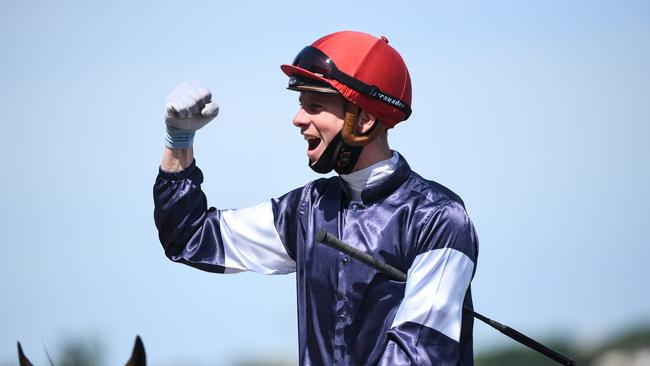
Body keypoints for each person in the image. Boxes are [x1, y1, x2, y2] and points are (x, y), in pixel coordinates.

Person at [154, 30, 479, 366]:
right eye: (300, 104)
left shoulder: (439, 218)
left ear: (364, 119)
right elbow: (189, 237)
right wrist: (178, 141)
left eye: (315, 106)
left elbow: (419, 355)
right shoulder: (307, 209)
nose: (298, 118)